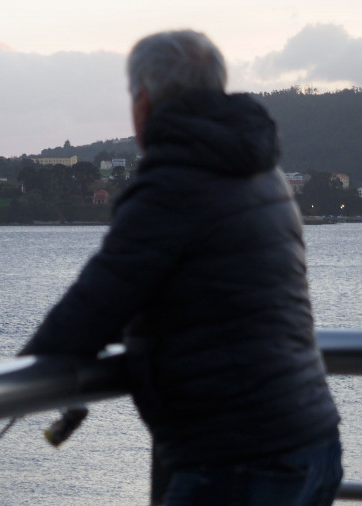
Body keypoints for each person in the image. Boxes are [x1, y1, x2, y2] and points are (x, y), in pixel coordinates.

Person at [19, 30, 342, 505]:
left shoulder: (175, 183)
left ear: (144, 101)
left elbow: (96, 304)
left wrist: (26, 373)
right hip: (311, 440)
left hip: (240, 458)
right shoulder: (260, 168)